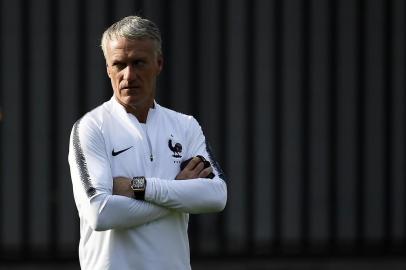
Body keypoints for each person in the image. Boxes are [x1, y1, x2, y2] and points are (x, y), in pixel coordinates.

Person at [68, 15, 227, 270]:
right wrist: (177, 191)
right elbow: (100, 212)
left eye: (138, 63)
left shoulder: (184, 126)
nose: (128, 75)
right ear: (108, 68)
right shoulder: (91, 127)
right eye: (118, 64)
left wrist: (139, 187)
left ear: (159, 63)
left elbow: (216, 196)